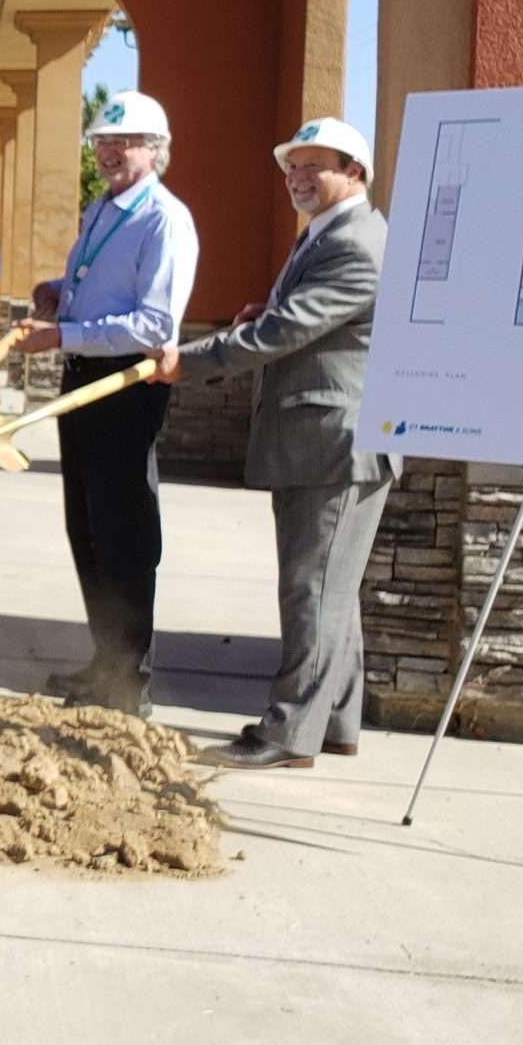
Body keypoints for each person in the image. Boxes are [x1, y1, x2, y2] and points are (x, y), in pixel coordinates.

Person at [152, 118, 394, 768]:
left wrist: (191, 360)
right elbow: (300, 320)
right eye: (293, 166)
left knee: (311, 589)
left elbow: (289, 328)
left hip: (335, 444)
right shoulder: (328, 233)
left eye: (316, 166)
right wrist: (264, 314)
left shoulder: (358, 242)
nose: (299, 177)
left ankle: (289, 734)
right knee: (329, 593)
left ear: (355, 173)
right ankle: (335, 724)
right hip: (316, 440)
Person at [13, 89, 200, 717]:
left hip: (123, 385)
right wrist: (59, 292)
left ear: (156, 150)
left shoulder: (163, 219)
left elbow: (152, 324)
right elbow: (100, 283)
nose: (111, 152)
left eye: (125, 142)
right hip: (82, 381)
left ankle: (129, 679)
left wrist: (63, 332)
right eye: (103, 142)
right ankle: (104, 661)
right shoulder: (104, 210)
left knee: (123, 532)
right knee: (86, 529)